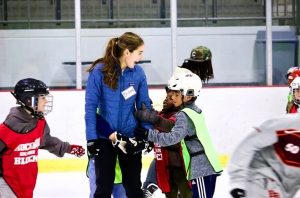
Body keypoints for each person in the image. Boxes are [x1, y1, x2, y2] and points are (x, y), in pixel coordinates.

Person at [85, 32, 153, 198]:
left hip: (130, 138)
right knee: (103, 188)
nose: (141, 57)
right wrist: (91, 138)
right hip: (105, 138)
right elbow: (90, 108)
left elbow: (145, 106)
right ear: (127, 52)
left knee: (134, 188)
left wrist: (148, 135)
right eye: (140, 52)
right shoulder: (99, 72)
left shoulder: (138, 73)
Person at [141, 45, 215, 198]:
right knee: (168, 152)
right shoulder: (185, 74)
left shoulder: (189, 72)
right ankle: (151, 184)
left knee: (171, 153)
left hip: (175, 111)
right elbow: (170, 96)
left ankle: (153, 185)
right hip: (174, 112)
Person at [0, 78, 85, 198]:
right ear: (29, 100)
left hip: (26, 184)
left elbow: (48, 141)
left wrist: (68, 148)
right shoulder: (10, 126)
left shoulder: (39, 122)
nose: (45, 101)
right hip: (7, 184)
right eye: (42, 97)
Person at [228, 113, 300, 198]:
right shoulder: (290, 124)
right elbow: (249, 143)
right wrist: (237, 180)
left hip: (284, 190)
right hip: (262, 175)